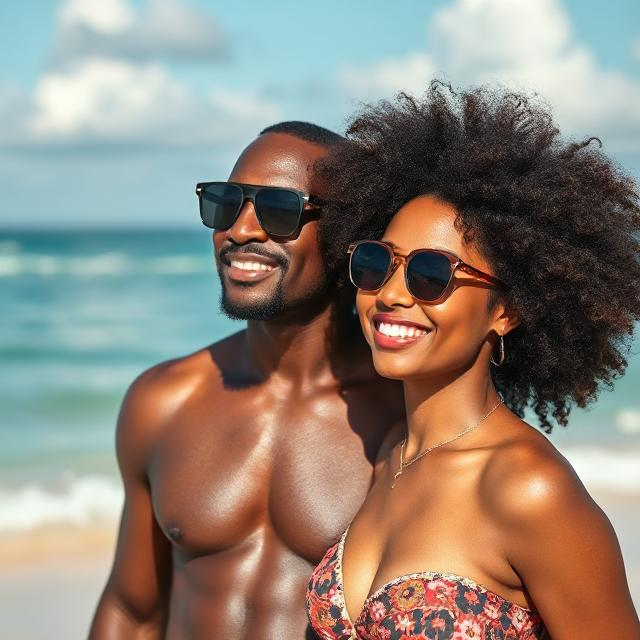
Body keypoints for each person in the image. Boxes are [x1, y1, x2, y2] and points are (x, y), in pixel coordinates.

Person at [306, 84, 640, 639]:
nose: (390, 293)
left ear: (505, 311)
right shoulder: (391, 453)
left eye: (431, 275)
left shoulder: (529, 489)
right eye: (376, 263)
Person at [89, 121, 404, 639]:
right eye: (225, 203)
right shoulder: (162, 401)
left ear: (348, 234)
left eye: (279, 210)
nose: (240, 230)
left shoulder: (404, 419)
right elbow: (132, 611)